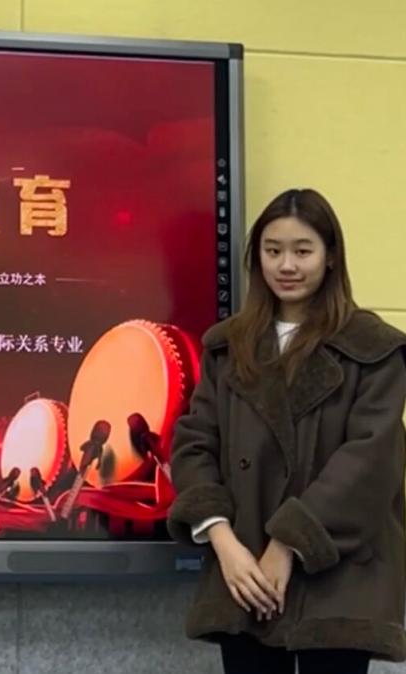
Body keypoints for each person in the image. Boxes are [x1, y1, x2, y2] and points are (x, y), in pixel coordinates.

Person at [167, 188, 406, 674]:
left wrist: (288, 544)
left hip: (340, 577)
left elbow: (369, 461)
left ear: (331, 256)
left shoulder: (373, 348)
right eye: (273, 250)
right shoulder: (228, 347)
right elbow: (194, 444)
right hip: (244, 570)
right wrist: (224, 544)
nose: (287, 265)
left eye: (303, 250)